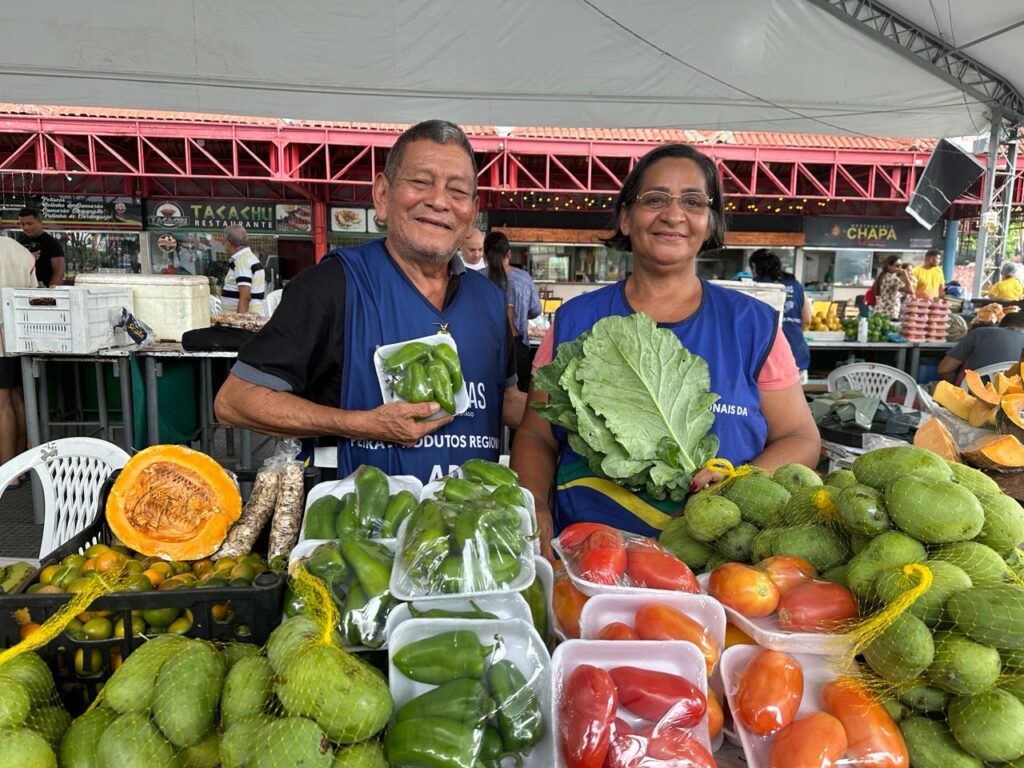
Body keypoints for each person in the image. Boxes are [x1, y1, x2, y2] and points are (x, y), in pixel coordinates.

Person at [511, 143, 820, 556]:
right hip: (589, 563)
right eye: (654, 199)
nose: (673, 214)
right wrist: (536, 507)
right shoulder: (574, 320)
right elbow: (536, 434)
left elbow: (800, 437)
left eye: (693, 201)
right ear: (625, 216)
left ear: (710, 223)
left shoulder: (752, 326)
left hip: (721, 568)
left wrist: (737, 484)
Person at [215, 120, 524, 482]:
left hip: (467, 525)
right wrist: (362, 424)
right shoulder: (331, 285)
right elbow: (235, 401)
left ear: (471, 213)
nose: (439, 201)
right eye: (421, 182)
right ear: (382, 195)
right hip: (359, 527)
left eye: (457, 191)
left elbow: (507, 401)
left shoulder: (489, 298)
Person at [484, 231, 542, 393]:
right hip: (517, 346)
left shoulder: (477, 277)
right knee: (517, 393)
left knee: (487, 392)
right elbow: (536, 310)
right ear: (508, 253)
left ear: (484, 254)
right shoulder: (523, 278)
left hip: (485, 344)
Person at [0, 237, 37, 483]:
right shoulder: (20, 251)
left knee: (1, 404)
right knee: (17, 398)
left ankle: (8, 471)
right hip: (20, 332)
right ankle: (23, 464)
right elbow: (34, 293)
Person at [749, 249, 811, 380]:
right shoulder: (795, 284)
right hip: (797, 352)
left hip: (767, 356)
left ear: (754, 266)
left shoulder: (756, 286)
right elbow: (807, 319)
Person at [938, 311, 1024, 384]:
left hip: (969, 398)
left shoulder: (979, 333)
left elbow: (944, 370)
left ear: (1001, 326)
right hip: (1011, 400)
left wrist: (959, 388)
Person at [221, 225, 266, 315]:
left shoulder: (242, 261)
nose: (222, 243)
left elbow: (245, 297)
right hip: (251, 317)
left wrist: (239, 324)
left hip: (244, 320)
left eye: (224, 241)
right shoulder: (249, 258)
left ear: (228, 243)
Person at [16, 207, 65, 287]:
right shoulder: (19, 242)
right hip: (22, 290)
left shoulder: (52, 243)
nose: (26, 227)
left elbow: (58, 274)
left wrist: (50, 295)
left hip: (44, 289)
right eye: (23, 224)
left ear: (40, 222)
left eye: (30, 224)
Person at [872, 254, 913, 320]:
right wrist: (906, 275)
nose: (900, 268)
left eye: (901, 265)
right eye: (897, 266)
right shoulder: (892, 278)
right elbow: (911, 291)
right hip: (890, 313)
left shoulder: (883, 275)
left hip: (880, 311)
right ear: (889, 266)